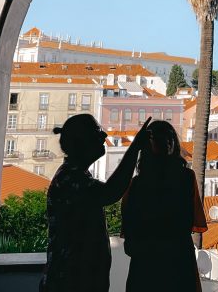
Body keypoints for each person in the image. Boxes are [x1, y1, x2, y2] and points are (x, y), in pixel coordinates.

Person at [41, 113, 151, 292]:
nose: (104, 136)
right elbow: (110, 193)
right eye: (97, 131)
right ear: (82, 141)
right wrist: (135, 147)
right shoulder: (71, 179)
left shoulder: (72, 175)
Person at [121, 119, 207, 291]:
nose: (166, 143)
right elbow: (191, 220)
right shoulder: (186, 178)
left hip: (145, 266)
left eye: (168, 139)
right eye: (163, 139)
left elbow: (129, 236)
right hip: (179, 262)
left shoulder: (136, 184)